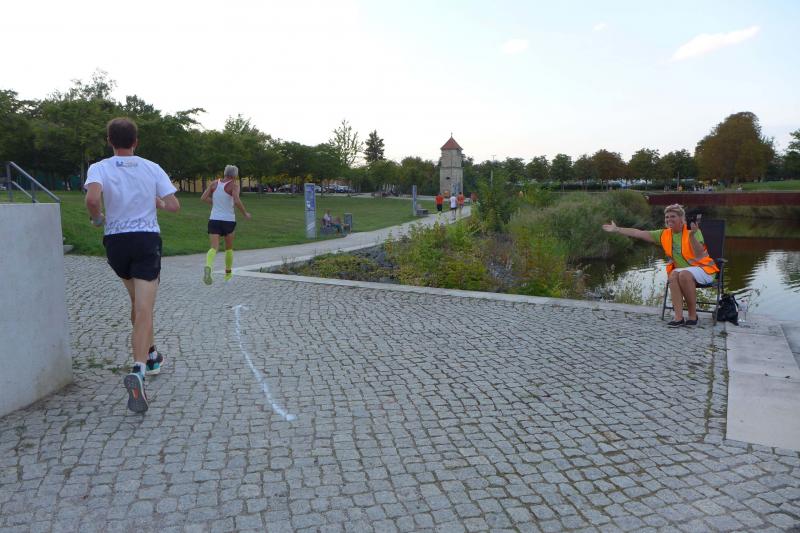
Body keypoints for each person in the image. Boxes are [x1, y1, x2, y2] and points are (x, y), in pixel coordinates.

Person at [84, 117, 180, 413]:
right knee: (144, 308)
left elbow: (92, 199)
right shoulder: (152, 167)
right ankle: (139, 368)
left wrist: (97, 219)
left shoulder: (99, 167)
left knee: (137, 302)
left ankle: (151, 356)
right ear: (136, 141)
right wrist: (157, 202)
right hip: (146, 240)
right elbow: (174, 205)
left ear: (109, 141)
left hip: (116, 243)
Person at [602, 204, 718, 327]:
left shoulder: (693, 232)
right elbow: (638, 233)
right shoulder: (663, 234)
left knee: (683, 274)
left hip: (704, 270)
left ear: (681, 219)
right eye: (667, 217)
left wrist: (692, 236)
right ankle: (678, 317)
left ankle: (692, 316)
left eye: (673, 216)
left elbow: (700, 254)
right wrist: (617, 229)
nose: (669, 219)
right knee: (673, 275)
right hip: (682, 273)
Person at [201, 165, 251, 284]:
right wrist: (245, 213)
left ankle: (208, 266)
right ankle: (228, 274)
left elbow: (203, 198)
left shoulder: (214, 184)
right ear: (235, 175)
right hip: (228, 220)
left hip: (214, 219)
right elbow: (237, 200)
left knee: (214, 247)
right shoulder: (234, 186)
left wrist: (216, 203)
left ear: (225, 173)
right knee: (228, 248)